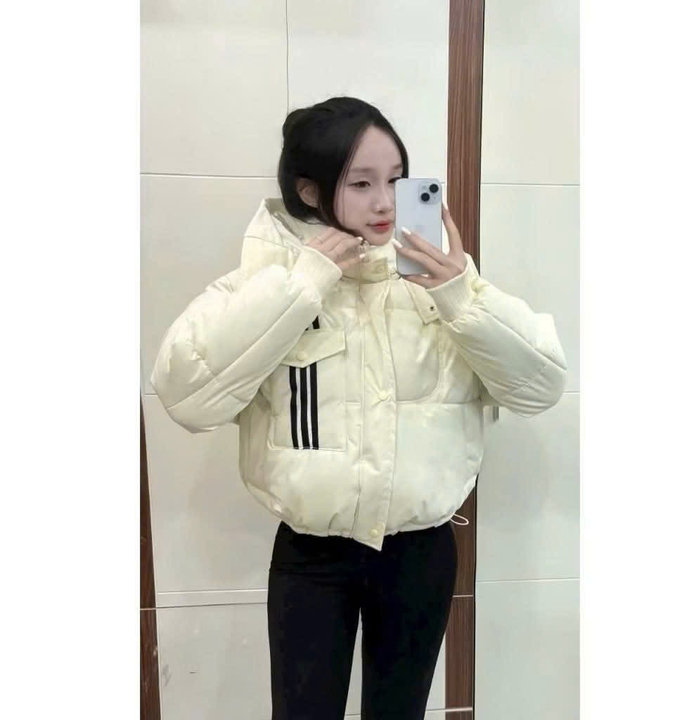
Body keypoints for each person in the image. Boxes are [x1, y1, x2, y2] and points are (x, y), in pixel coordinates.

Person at [150, 96, 567, 719]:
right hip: (312, 556)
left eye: (397, 180)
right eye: (362, 182)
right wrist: (303, 283)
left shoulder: (441, 281)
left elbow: (541, 387)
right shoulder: (267, 281)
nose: (385, 202)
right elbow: (187, 397)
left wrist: (461, 296)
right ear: (310, 190)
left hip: (420, 554)